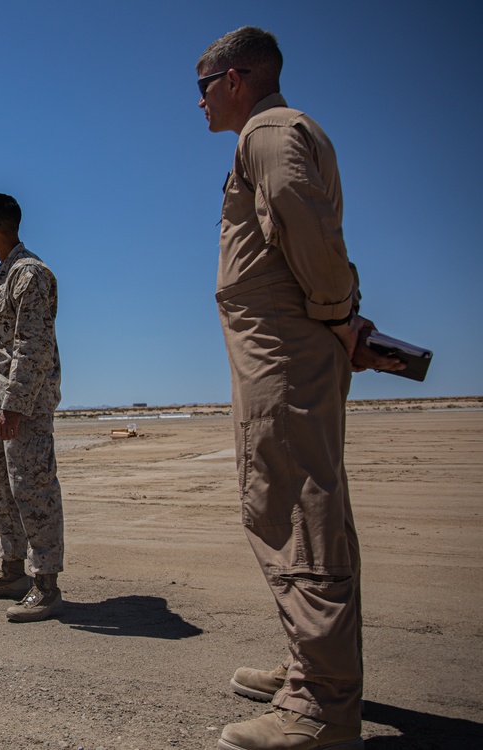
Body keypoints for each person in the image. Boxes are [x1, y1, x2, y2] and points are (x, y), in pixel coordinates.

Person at [197, 27, 403, 750]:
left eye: (203, 86)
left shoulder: (271, 133)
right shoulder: (273, 132)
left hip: (284, 356)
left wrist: (340, 315)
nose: (197, 103)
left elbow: (297, 213)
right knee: (303, 502)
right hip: (283, 351)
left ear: (237, 79)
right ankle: (310, 667)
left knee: (293, 508)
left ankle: (320, 707)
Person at [0, 193, 65, 623]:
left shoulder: (30, 275)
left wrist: (16, 405)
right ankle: (12, 569)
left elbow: (32, 346)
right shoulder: (3, 275)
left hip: (25, 404)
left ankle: (46, 584)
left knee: (33, 488)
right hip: (0, 401)